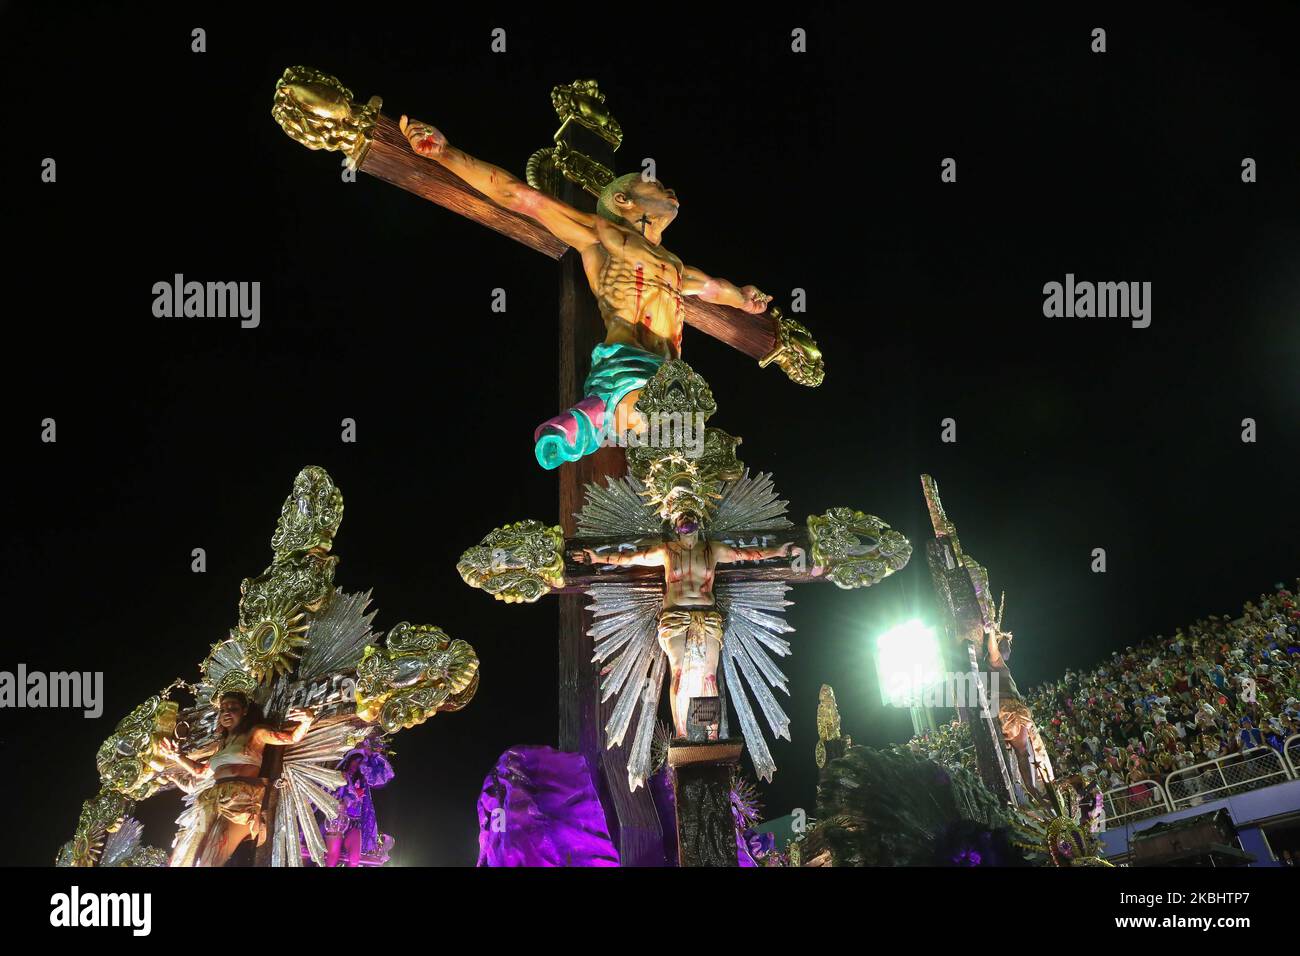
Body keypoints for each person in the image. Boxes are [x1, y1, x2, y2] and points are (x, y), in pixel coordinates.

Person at [397, 115, 777, 470]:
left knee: (686, 447)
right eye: (653, 183)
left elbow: (714, 289)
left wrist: (745, 298)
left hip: (669, 375)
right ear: (623, 201)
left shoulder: (677, 268)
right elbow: (520, 196)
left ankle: (596, 422)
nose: (668, 187)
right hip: (628, 364)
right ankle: (590, 421)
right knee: (658, 423)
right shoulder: (603, 237)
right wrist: (446, 153)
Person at [163, 693, 315, 866]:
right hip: (212, 800)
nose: (227, 713)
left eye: (233, 708)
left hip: (239, 801)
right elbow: (201, 771)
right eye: (223, 710)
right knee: (187, 851)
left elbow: (292, 738)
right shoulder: (222, 744)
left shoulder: (256, 733)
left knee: (212, 856)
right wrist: (177, 756)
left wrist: (307, 720)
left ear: (244, 711)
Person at [322, 744, 394, 867]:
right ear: (349, 760)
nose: (356, 764)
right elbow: (329, 795)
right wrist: (344, 799)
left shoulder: (363, 781)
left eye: (360, 762)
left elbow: (387, 774)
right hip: (337, 822)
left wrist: (372, 755)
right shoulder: (339, 776)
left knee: (355, 860)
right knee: (332, 858)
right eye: (354, 760)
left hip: (355, 823)